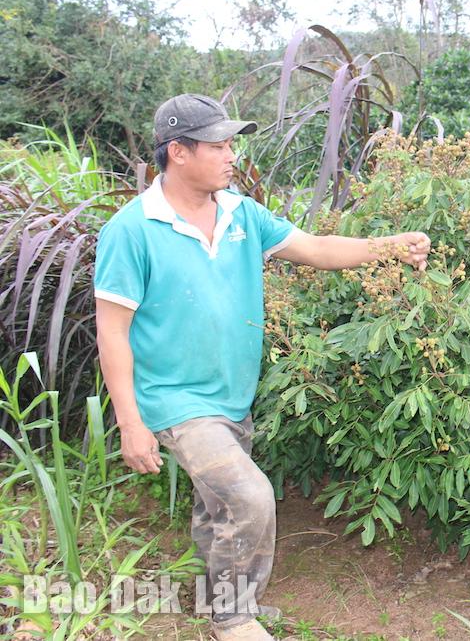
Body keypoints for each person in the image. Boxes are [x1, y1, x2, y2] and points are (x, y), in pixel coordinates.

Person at [94, 94, 431, 641]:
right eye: (219, 145)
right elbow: (112, 332)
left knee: (218, 507)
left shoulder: (240, 213)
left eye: (233, 144)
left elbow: (317, 248)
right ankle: (233, 620)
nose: (231, 155)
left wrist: (389, 246)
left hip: (232, 394)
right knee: (248, 496)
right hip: (175, 399)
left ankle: (217, 600)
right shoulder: (132, 231)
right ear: (177, 152)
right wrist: (132, 423)